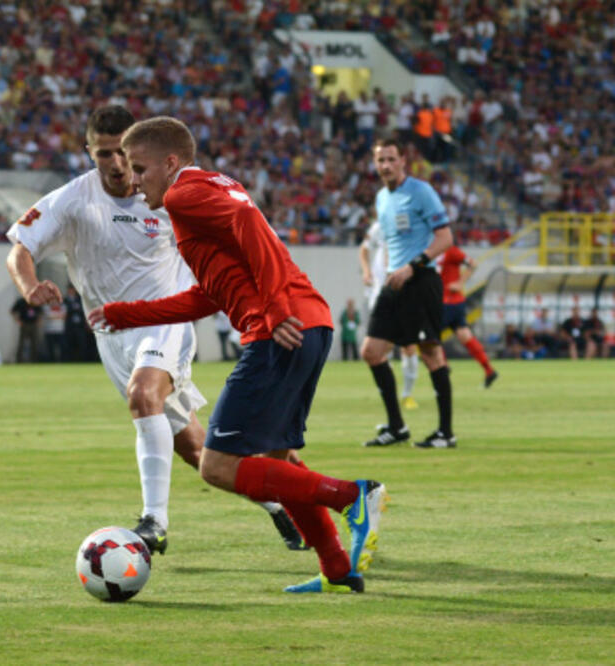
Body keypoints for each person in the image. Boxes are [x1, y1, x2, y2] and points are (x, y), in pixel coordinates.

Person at [88, 116, 387, 593]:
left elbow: (250, 223)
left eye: (140, 168)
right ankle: (336, 567)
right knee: (278, 458)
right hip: (309, 323)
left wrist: (274, 308)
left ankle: (352, 495)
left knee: (217, 465)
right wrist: (125, 314)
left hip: (279, 329)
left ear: (170, 163)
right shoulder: (203, 191)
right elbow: (210, 296)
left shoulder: (186, 194)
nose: (133, 180)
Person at [6, 105, 305, 555]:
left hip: (165, 322)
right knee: (201, 454)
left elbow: (241, 235)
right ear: (89, 152)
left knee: (143, 394)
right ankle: (282, 502)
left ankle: (154, 522)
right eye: (105, 153)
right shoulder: (72, 200)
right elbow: (19, 248)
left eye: (124, 153)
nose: (117, 164)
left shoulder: (170, 196)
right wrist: (29, 286)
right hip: (111, 336)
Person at [361, 138, 456, 449]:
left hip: (421, 280)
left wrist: (412, 266)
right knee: (371, 351)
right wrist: (390, 271)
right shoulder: (381, 199)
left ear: (403, 160)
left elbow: (445, 238)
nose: (385, 165)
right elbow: (392, 242)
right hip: (394, 281)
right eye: (380, 160)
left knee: (430, 353)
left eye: (391, 159)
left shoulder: (421, 192)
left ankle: (445, 432)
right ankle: (397, 427)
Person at [359, 220, 421, 409]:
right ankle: (389, 393)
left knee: (408, 346)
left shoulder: (412, 225)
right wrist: (367, 271)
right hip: (380, 295)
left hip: (406, 295)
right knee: (378, 350)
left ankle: (407, 395)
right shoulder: (380, 226)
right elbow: (364, 249)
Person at [438, 246, 498, 386]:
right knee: (464, 335)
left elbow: (472, 263)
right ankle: (489, 370)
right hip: (454, 302)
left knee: (431, 335)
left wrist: (459, 283)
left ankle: (443, 368)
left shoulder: (450, 250)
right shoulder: (435, 250)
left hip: (448, 301)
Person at [9, 296, 41, 363]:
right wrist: (17, 320)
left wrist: (38, 321)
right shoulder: (21, 301)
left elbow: (40, 312)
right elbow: (12, 311)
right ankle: (19, 360)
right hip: (24, 324)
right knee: (21, 343)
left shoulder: (36, 301)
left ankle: (34, 360)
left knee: (34, 343)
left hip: (33, 324)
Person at [62, 285, 89, 362]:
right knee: (69, 344)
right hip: (70, 326)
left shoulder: (79, 300)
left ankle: (82, 360)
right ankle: (70, 360)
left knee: (81, 343)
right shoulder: (65, 300)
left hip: (80, 326)